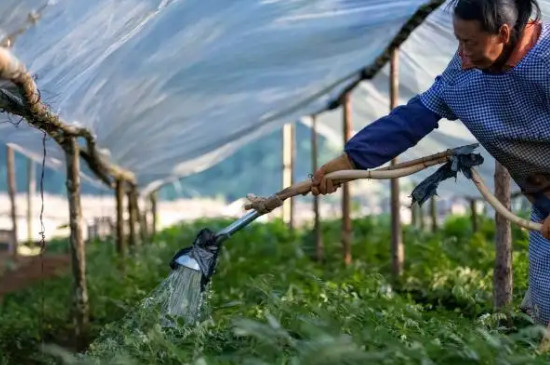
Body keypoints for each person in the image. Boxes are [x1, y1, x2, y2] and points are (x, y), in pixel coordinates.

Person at [311, 0, 550, 327]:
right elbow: (415, 117)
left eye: (470, 42)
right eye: (458, 41)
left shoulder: (546, 60)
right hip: (545, 205)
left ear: (504, 34)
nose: (462, 52)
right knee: (546, 312)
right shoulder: (466, 70)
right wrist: (349, 160)